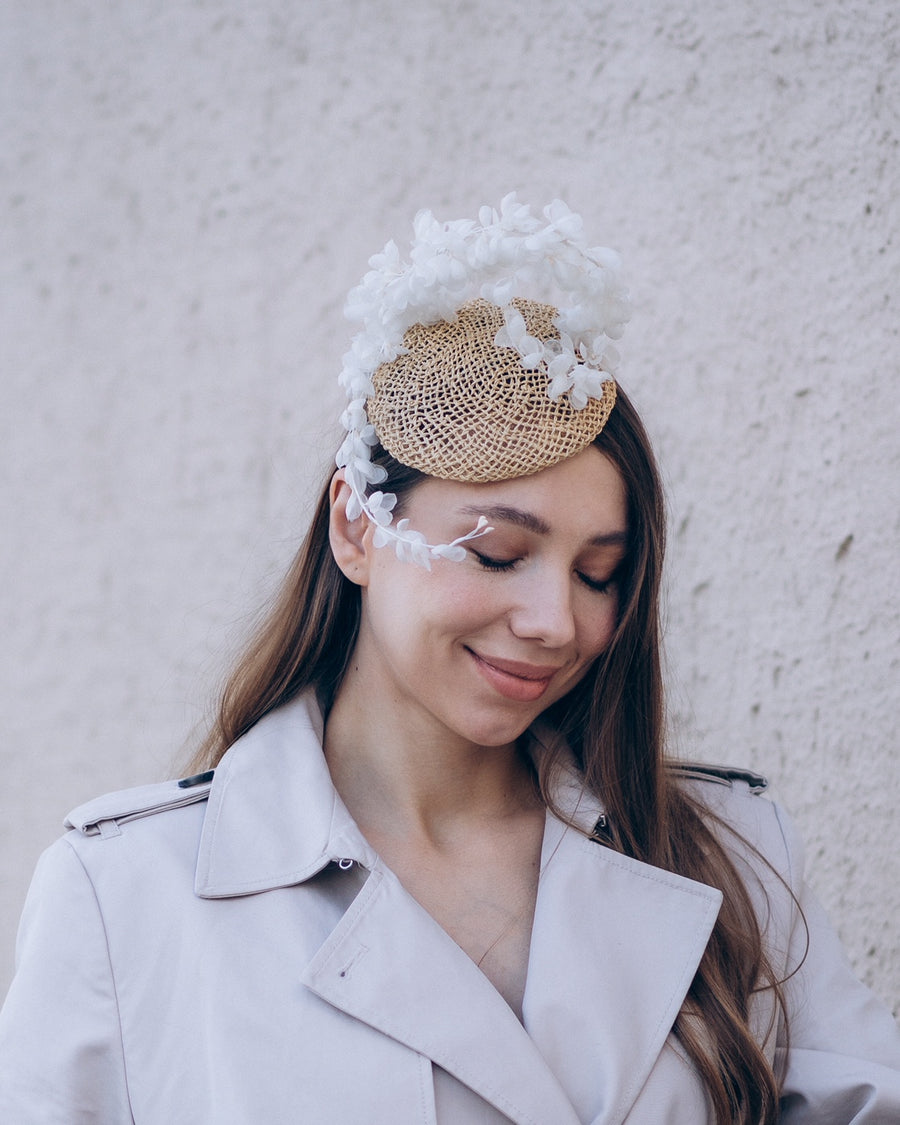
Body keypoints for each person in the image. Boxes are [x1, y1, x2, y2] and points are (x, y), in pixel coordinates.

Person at [1, 197, 898, 1125]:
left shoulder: (724, 856)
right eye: (497, 554)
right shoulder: (126, 891)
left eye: (601, 573)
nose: (557, 620)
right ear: (357, 526)